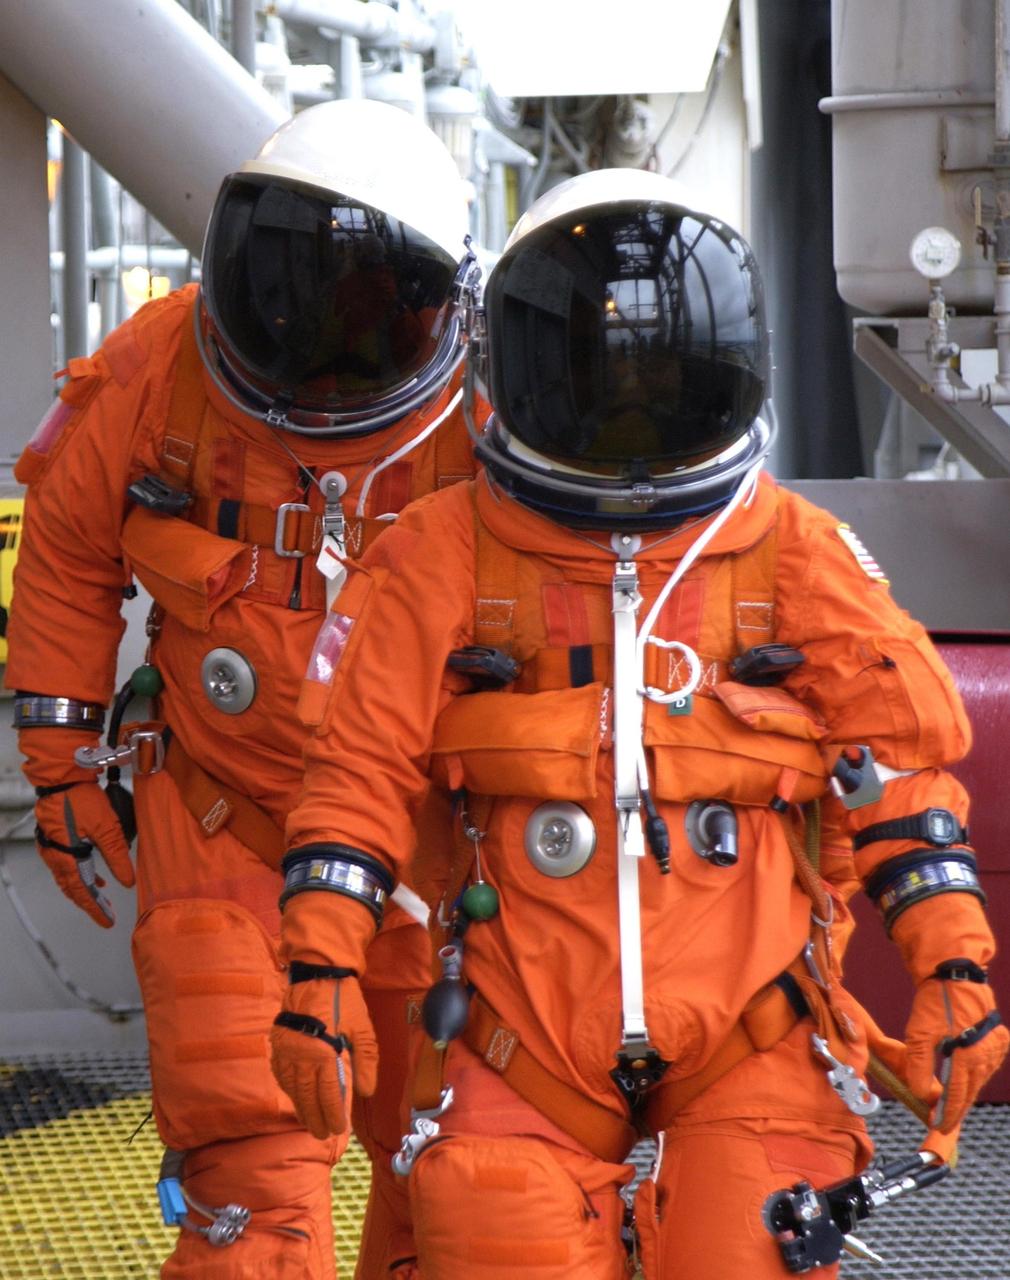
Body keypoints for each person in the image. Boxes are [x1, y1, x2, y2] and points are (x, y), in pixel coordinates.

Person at [269, 167, 1008, 1278]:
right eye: (594, 374)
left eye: (658, 376)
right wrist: (320, 970)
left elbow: (897, 769)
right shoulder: (438, 554)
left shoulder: (784, 550)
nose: (629, 407)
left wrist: (949, 959)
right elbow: (357, 776)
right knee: (488, 1217)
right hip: (516, 1038)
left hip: (749, 1031)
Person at [7, 97, 479, 1279]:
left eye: (367, 309)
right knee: (249, 1188)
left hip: (427, 846)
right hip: (225, 825)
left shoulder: (495, 409)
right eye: (290, 295)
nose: (317, 350)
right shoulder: (158, 370)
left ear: (445, 306)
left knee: (460, 1175)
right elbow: (67, 548)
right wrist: (59, 759)